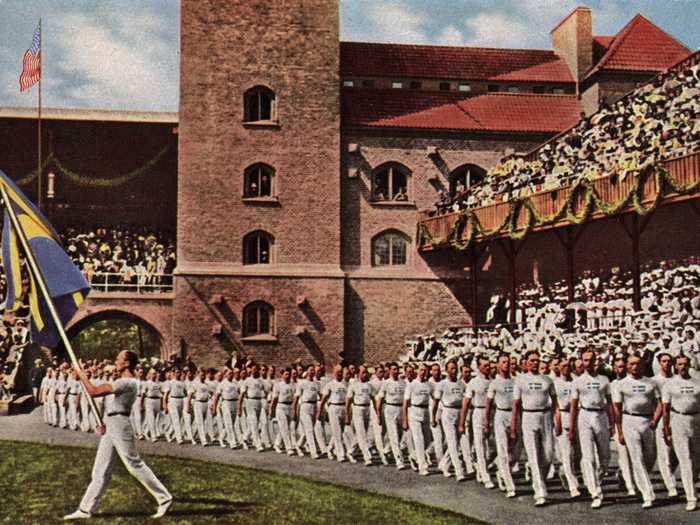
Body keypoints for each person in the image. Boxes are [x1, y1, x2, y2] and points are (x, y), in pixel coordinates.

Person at [63, 350, 172, 520]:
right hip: (112, 423)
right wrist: (104, 423)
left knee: (133, 463)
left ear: (127, 363)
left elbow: (93, 391)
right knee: (100, 469)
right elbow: (111, 404)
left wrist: (82, 375)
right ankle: (85, 509)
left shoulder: (127, 382)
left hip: (120, 425)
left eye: (119, 359)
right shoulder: (125, 381)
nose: (116, 361)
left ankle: (164, 498)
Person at [612, 352, 662, 509]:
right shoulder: (621, 384)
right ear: (627, 366)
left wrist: (655, 419)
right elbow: (617, 409)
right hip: (629, 421)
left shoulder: (651, 383)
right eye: (632, 364)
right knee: (637, 458)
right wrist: (619, 431)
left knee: (650, 457)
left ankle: (638, 480)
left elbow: (660, 402)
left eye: (638, 364)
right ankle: (648, 494)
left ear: (643, 365)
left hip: (648, 421)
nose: (635, 367)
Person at [511, 350, 558, 506]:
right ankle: (540, 492)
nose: (535, 363)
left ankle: (539, 479)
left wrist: (556, 419)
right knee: (533, 454)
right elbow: (515, 404)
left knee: (548, 454)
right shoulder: (520, 380)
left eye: (537, 360)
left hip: (545, 416)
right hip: (528, 416)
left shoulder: (547, 380)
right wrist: (513, 425)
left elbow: (554, 400)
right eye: (532, 360)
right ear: (525, 362)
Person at [569, 349, 614, 508]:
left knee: (605, 456)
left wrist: (613, 423)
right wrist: (572, 427)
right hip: (584, 416)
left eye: (590, 360)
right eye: (585, 360)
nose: (587, 363)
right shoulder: (578, 381)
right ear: (582, 361)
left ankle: (596, 479)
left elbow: (609, 403)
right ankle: (595, 492)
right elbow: (574, 406)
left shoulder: (604, 380)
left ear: (595, 360)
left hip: (601, 416)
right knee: (588, 457)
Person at [662, 354, 699, 512]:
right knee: (686, 460)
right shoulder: (670, 384)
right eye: (679, 364)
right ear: (675, 366)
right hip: (678, 420)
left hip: (697, 420)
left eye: (685, 364)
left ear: (689, 365)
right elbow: (665, 409)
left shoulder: (697, 382)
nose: (682, 367)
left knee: (697, 460)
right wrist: (666, 429)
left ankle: (693, 482)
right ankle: (691, 497)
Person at [483, 354, 516, 498]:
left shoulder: (515, 381)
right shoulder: (494, 383)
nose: (506, 365)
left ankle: (500, 471)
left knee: (514, 451)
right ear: (498, 365)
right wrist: (486, 422)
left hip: (515, 416)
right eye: (503, 362)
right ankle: (510, 486)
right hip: (501, 415)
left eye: (508, 362)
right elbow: (489, 404)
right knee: (502, 449)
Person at [434, 359, 466, 481]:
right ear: (446, 370)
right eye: (451, 368)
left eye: (455, 368)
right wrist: (434, 417)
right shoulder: (442, 384)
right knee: (452, 441)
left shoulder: (461, 383)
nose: (454, 370)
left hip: (459, 412)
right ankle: (459, 471)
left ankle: (444, 464)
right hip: (447, 412)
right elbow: (436, 402)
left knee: (456, 441)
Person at [403, 363, 433, 476]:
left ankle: (413, 456)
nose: (423, 372)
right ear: (417, 371)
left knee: (427, 441)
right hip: (414, 411)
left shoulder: (429, 384)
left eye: (425, 370)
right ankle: (422, 466)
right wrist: (405, 419)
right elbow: (405, 403)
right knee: (418, 440)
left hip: (425, 412)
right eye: (421, 370)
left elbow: (435, 397)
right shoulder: (411, 385)